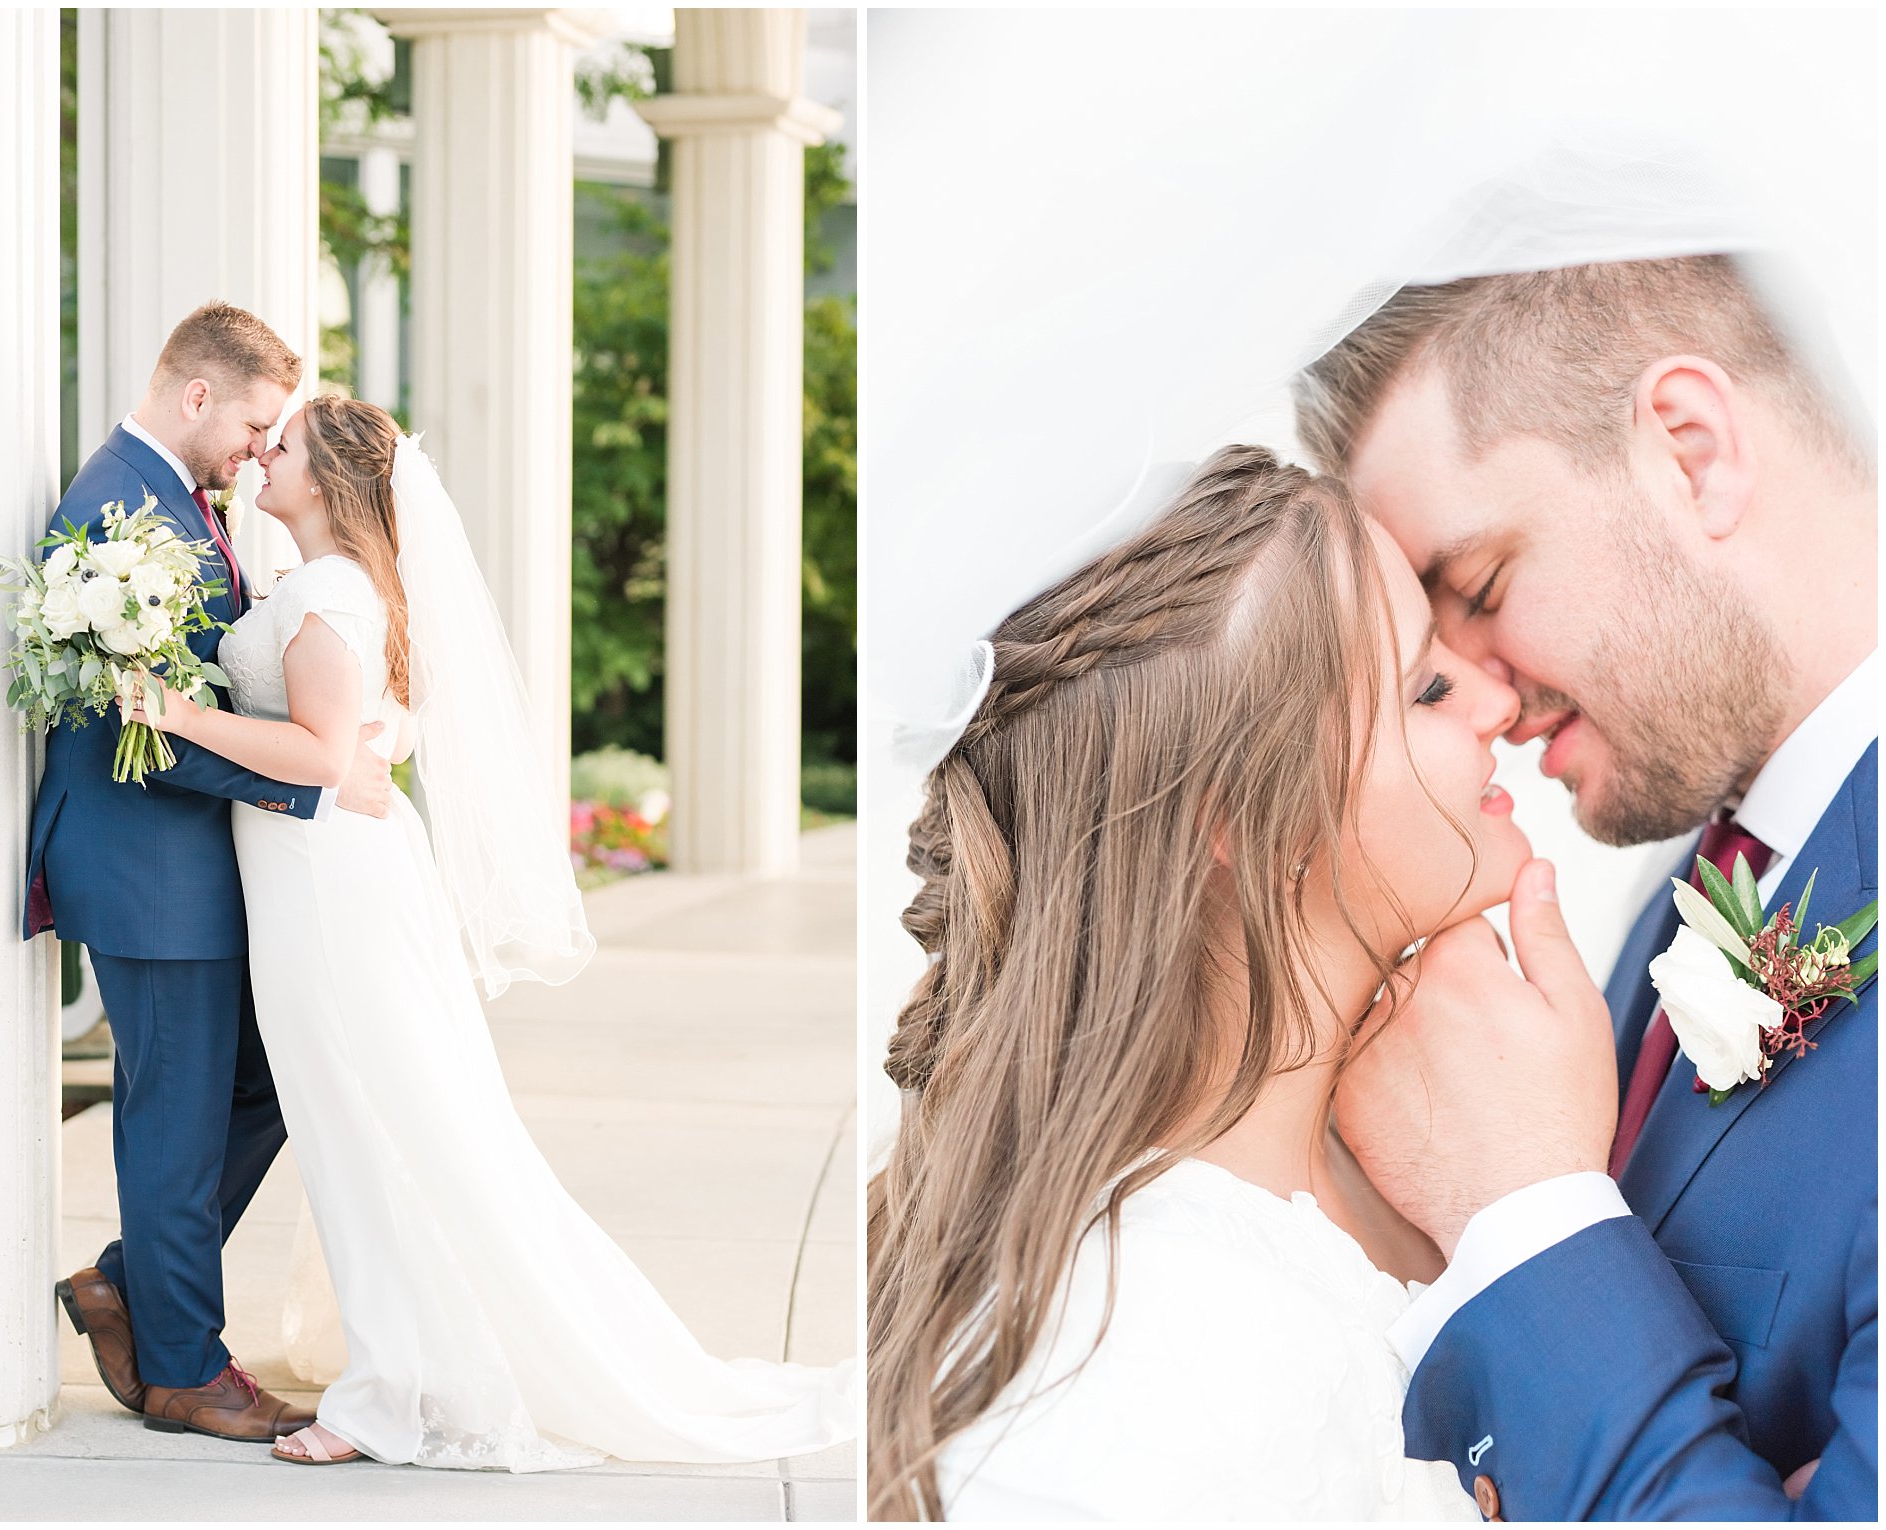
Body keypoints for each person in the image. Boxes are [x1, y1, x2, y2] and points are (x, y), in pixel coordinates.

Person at [126, 393, 855, 1470]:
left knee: (363, 1126)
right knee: (363, 1124)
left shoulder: (329, 592)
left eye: (278, 448)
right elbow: (379, 724)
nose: (260, 458)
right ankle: (397, 1363)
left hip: (329, 894)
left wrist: (177, 714)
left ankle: (384, 1399)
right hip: (316, 881)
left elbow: (327, 754)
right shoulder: (328, 587)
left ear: (323, 482)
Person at [866, 443, 1562, 1519]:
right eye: (1425, 685)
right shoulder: (1145, 1354)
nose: (1499, 700)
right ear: (1245, 817)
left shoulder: (1416, 1165)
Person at [1296, 253, 1876, 1520]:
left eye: (1483, 591)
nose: (1485, 703)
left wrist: (1524, 1215)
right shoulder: (1686, 906)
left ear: (1686, 449)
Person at [34, 302, 395, 1442]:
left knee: (258, 1088)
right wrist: (315, 781)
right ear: (197, 396)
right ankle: (185, 1367)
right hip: (149, 868)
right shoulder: (113, 510)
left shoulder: (176, 500)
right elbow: (139, 727)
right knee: (180, 1123)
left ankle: (121, 1286)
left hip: (197, 867)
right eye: (250, 421)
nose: (257, 446)